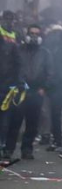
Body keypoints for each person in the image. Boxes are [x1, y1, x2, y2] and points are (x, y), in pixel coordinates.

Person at [4, 25, 53, 160]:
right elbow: (12, 67)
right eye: (31, 33)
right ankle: (9, 149)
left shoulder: (45, 53)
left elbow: (50, 71)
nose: (33, 37)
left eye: (36, 34)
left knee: (32, 124)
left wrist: (44, 88)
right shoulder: (18, 50)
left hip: (36, 91)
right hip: (19, 90)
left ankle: (27, 149)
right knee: (15, 123)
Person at [0, 31, 22, 155]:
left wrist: (16, 83)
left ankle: (3, 144)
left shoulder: (11, 47)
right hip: (6, 86)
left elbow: (18, 66)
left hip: (7, 88)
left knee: (5, 119)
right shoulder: (10, 47)